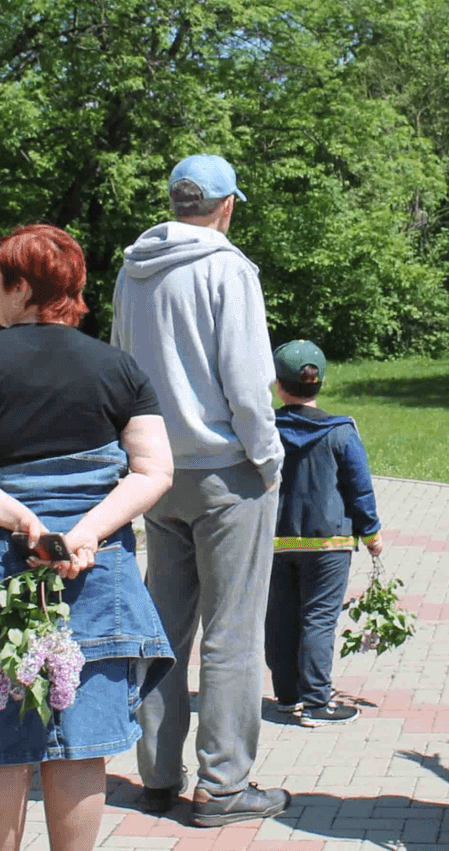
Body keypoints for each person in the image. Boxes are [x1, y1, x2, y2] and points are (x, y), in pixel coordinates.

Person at [0, 224, 178, 851]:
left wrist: (23, 521)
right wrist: (84, 532)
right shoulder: (120, 367)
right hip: (94, 568)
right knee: (83, 744)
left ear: (21, 286)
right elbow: (155, 471)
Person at [110, 154, 289, 826]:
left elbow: (120, 364)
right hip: (227, 472)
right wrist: (269, 460)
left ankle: (157, 772)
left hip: (155, 471)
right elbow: (248, 382)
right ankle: (223, 784)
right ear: (225, 205)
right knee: (232, 633)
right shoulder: (227, 268)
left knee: (163, 628)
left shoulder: (134, 269)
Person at [265, 338, 383, 727]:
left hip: (277, 541)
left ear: (278, 385)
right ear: (322, 382)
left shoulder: (266, 432)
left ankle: (286, 696)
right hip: (329, 543)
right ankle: (318, 700)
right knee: (318, 618)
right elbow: (358, 486)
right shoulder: (341, 431)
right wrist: (371, 533)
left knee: (280, 618)